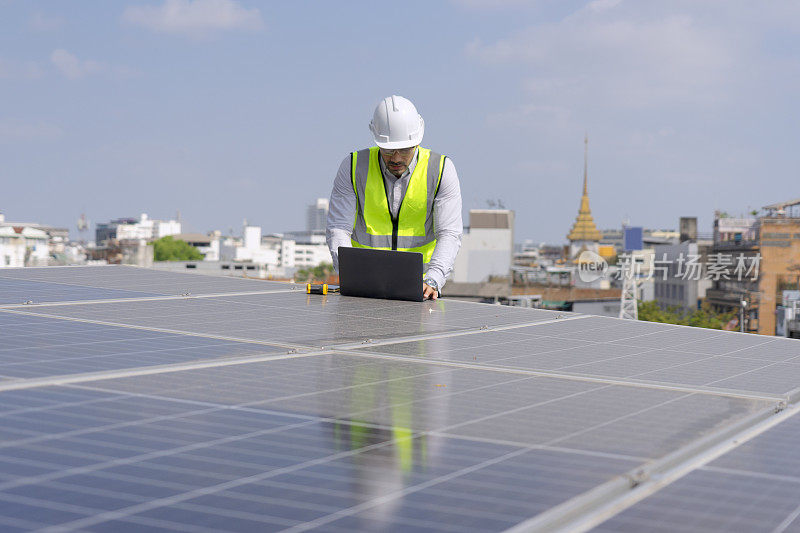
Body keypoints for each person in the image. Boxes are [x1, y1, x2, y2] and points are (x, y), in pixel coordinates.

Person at [326, 95, 463, 300]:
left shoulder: (441, 169)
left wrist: (434, 278)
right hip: (364, 287)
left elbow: (450, 234)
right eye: (389, 150)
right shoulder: (354, 167)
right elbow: (338, 229)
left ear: (417, 141)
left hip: (421, 287)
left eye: (405, 149)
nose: (397, 158)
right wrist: (350, 274)